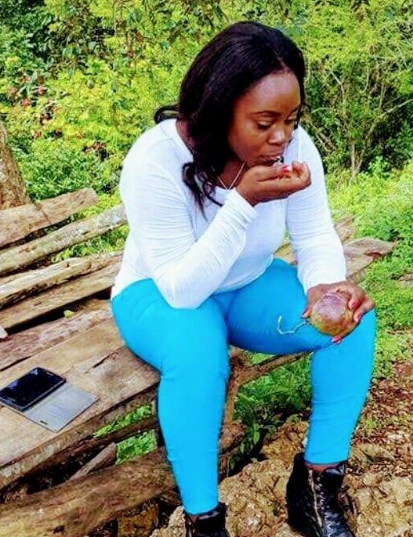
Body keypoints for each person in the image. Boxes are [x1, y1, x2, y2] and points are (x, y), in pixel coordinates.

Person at [110, 21, 376, 537]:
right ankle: (204, 520)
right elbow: (181, 289)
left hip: (247, 284)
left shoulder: (293, 148)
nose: (282, 137)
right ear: (217, 108)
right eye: (264, 122)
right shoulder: (155, 160)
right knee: (197, 350)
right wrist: (244, 200)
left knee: (352, 323)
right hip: (159, 295)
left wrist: (326, 286)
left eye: (292, 119)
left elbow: (314, 234)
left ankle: (316, 485)